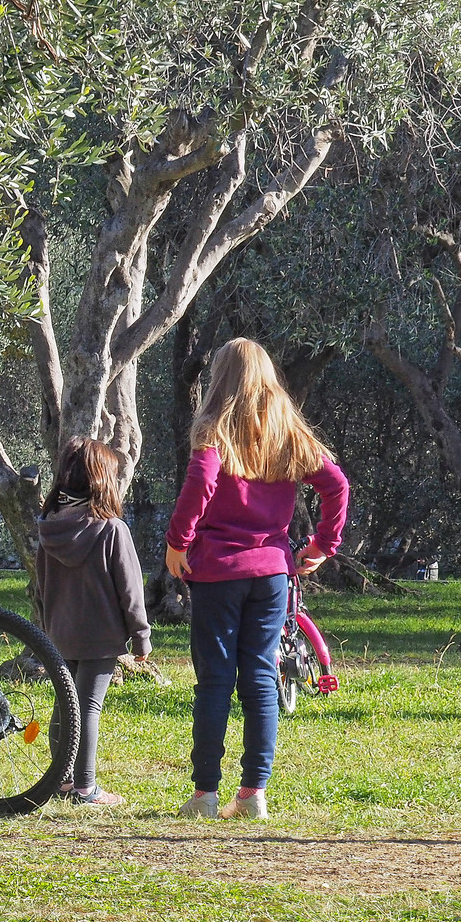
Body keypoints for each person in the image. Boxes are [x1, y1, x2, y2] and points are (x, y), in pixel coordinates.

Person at [165, 338, 349, 820]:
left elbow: (201, 481)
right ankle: (253, 795)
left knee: (214, 681)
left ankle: (205, 795)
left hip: (218, 574)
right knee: (262, 680)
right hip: (270, 573)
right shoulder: (287, 432)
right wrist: (323, 545)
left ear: (220, 379)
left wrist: (177, 542)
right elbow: (337, 485)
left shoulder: (212, 430)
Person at [35, 438, 150, 808]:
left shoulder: (49, 529)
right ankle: (85, 789)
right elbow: (130, 590)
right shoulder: (112, 530)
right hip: (100, 635)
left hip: (59, 632)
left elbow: (40, 585)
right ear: (104, 480)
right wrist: (141, 636)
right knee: (87, 708)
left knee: (63, 705)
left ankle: (61, 780)